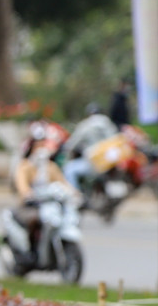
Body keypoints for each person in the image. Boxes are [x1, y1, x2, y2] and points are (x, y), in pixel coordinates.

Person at [13, 123, 80, 256]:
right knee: (34, 220)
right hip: (31, 206)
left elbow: (63, 182)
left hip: (49, 204)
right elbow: (22, 186)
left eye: (43, 144)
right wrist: (27, 193)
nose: (41, 149)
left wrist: (75, 193)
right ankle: (30, 251)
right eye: (38, 145)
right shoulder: (25, 166)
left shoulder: (50, 167)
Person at [61, 103, 119, 195]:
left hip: (95, 162)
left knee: (69, 169)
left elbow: (72, 143)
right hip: (111, 161)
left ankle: (76, 196)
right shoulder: (107, 122)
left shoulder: (85, 125)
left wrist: (66, 148)